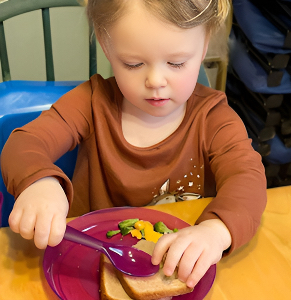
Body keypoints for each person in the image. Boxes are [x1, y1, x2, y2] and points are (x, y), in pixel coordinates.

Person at [1, 0, 267, 289]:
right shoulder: (91, 103)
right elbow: (25, 142)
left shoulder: (214, 119)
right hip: (85, 263)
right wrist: (40, 183)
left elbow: (247, 179)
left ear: (203, 48)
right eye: (134, 64)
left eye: (176, 63)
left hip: (178, 266)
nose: (155, 80)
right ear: (107, 46)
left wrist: (216, 231)